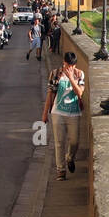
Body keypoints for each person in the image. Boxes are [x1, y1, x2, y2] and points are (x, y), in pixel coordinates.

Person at [42, 52, 84, 181]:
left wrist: (71, 78)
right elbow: (50, 94)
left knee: (74, 141)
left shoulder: (79, 74)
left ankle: (70, 157)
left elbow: (80, 93)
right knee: (59, 142)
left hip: (74, 113)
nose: (69, 67)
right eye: (67, 64)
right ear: (63, 62)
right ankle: (60, 170)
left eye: (71, 65)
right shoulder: (55, 74)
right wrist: (45, 114)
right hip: (58, 112)